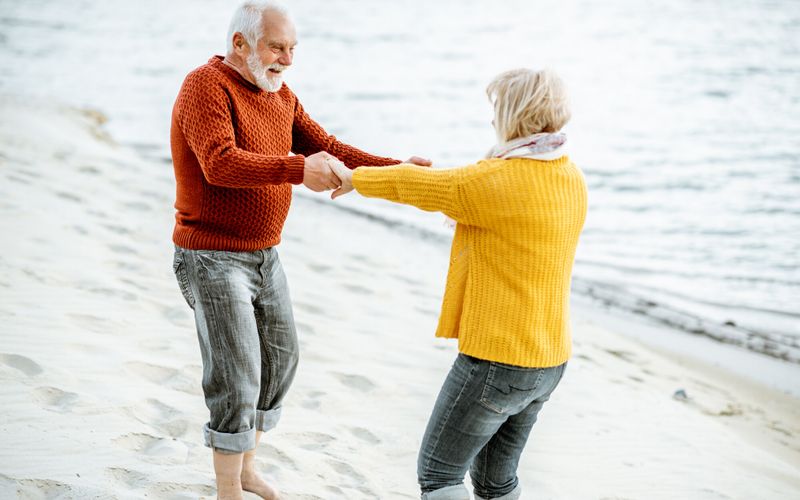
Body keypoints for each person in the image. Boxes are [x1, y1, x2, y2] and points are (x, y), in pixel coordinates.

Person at [169, 2, 429, 498]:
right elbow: (220, 164)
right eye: (276, 48)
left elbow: (328, 148)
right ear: (240, 44)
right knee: (236, 375)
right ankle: (228, 490)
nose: (287, 60)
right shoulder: (205, 85)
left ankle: (246, 468)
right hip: (212, 257)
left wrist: (397, 170)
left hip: (266, 256)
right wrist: (295, 170)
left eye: (292, 49)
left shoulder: (281, 95)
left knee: (280, 361)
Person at [330, 68, 587, 500]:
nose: (492, 119)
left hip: (498, 360)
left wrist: (354, 177)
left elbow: (419, 186)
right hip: (549, 362)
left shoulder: (496, 181)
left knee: (439, 475)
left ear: (515, 114)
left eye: (497, 108)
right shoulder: (570, 176)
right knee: (495, 482)